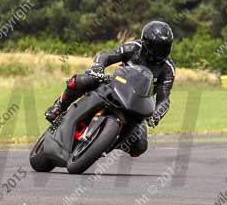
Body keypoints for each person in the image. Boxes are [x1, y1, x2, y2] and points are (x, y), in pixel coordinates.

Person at [44, 21, 176, 157]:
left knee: (140, 146)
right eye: (157, 47)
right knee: (81, 81)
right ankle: (59, 106)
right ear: (146, 42)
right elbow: (106, 56)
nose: (160, 52)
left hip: (137, 103)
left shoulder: (168, 68)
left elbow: (164, 98)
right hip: (115, 86)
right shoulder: (134, 47)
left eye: (165, 47)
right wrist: (98, 68)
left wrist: (156, 114)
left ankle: (107, 142)